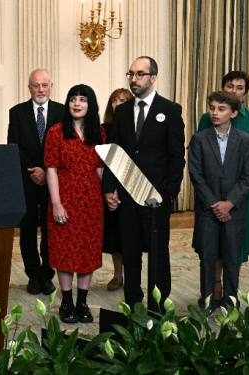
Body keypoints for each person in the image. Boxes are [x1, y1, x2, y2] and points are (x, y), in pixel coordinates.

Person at [102, 56, 186, 311]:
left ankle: (158, 306)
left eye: (140, 74)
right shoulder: (124, 111)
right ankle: (133, 303)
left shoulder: (170, 110)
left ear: (153, 77)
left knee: (158, 255)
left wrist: (170, 191)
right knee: (130, 253)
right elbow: (114, 153)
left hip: (155, 196)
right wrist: (108, 188)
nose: (134, 79)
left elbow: (176, 155)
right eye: (131, 74)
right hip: (127, 195)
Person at [195, 71, 249, 306]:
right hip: (208, 208)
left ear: (233, 113)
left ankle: (230, 301)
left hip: (235, 209)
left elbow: (248, 176)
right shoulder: (200, 138)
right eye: (212, 108)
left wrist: (229, 203)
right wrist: (215, 204)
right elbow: (196, 173)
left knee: (233, 257)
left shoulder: (245, 140)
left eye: (221, 109)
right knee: (207, 257)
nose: (215, 112)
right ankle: (207, 303)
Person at [45, 84, 106, 324]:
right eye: (73, 99)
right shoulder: (56, 132)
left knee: (87, 253)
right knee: (65, 252)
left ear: (90, 105)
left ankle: (83, 303)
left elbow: (100, 168)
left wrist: (96, 195)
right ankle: (66, 302)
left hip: (91, 203)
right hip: (65, 200)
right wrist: (57, 204)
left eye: (82, 99)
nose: (77, 104)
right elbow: (51, 170)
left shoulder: (99, 132)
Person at [7, 69, 64, 296]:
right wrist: (35, 171)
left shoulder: (62, 112)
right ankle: (32, 275)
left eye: (44, 85)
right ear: (29, 87)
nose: (40, 90)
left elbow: (64, 146)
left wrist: (47, 170)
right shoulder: (17, 112)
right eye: (35, 85)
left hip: (54, 181)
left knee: (51, 229)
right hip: (27, 180)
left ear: (51, 86)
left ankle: (47, 275)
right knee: (28, 229)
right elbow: (14, 146)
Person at [101, 88, 133, 292]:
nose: (118, 103)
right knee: (114, 235)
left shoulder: (137, 127)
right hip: (108, 186)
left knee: (130, 235)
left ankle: (132, 276)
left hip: (131, 186)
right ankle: (117, 275)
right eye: (114, 100)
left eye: (123, 100)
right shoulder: (103, 128)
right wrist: (108, 189)